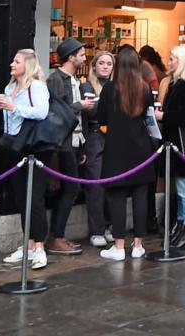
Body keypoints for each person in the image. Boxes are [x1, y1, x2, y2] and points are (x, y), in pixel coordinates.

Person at [97, 48, 155, 260]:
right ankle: (138, 245)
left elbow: (101, 118)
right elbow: (149, 118)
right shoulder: (145, 89)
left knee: (118, 197)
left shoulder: (110, 89)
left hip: (116, 149)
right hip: (142, 148)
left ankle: (119, 246)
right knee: (141, 197)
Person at [0, 49, 51, 270]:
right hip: (14, 145)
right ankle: (27, 244)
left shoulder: (36, 86)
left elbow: (42, 112)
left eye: (16, 60)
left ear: (27, 65)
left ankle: (39, 247)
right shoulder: (10, 87)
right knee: (21, 197)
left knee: (34, 197)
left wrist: (14, 107)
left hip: (34, 148)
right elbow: (9, 117)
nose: (12, 63)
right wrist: (0, 103)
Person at [45, 37, 94, 256]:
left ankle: (58, 236)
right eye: (81, 54)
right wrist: (79, 105)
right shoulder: (56, 79)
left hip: (74, 142)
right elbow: (56, 110)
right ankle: (56, 237)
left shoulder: (75, 80)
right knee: (71, 188)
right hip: (63, 144)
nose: (84, 57)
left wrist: (81, 145)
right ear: (71, 56)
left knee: (71, 188)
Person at [158, 44, 185, 248]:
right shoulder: (177, 84)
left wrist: (163, 115)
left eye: (173, 58)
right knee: (180, 187)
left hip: (183, 146)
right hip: (174, 144)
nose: (169, 62)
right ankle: (181, 224)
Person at [81, 51, 112, 248]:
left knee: (111, 183)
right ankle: (96, 229)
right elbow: (90, 111)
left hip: (112, 137)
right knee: (95, 183)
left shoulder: (114, 86)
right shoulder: (87, 85)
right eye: (101, 63)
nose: (105, 66)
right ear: (94, 66)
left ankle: (109, 225)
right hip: (93, 136)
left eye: (109, 63)